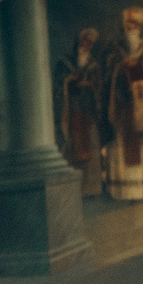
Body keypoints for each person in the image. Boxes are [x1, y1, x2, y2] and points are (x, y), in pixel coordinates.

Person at [102, 8, 143, 202]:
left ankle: (139, 190)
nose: (132, 27)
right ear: (124, 24)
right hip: (120, 106)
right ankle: (122, 191)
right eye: (129, 23)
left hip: (139, 106)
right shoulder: (115, 48)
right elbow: (108, 74)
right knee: (120, 147)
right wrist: (121, 67)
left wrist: (139, 72)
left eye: (135, 24)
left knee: (139, 146)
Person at [57, 27, 107, 194]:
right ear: (80, 40)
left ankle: (91, 189)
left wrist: (90, 85)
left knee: (91, 148)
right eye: (85, 40)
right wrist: (68, 82)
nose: (87, 44)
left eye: (90, 42)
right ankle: (75, 190)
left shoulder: (94, 65)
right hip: (72, 112)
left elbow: (99, 87)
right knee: (72, 148)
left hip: (88, 112)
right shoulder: (66, 62)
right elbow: (58, 85)